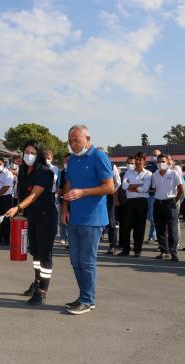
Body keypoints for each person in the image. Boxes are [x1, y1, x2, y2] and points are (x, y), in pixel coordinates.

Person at [61, 124, 114, 315]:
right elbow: (68, 183)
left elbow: (110, 187)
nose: (74, 145)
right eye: (71, 141)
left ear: (88, 139)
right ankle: (84, 295)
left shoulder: (99, 156)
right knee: (75, 261)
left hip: (93, 219)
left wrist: (83, 192)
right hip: (74, 217)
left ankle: (88, 300)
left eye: (77, 140)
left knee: (87, 261)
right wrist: (65, 207)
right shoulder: (73, 160)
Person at [7, 141, 58, 305]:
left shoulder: (45, 172)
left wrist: (18, 208)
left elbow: (34, 195)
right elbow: (22, 194)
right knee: (35, 253)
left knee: (45, 255)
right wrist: (21, 211)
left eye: (33, 152)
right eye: (26, 151)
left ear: (39, 155)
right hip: (33, 217)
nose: (29, 155)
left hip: (46, 217)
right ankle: (36, 283)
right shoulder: (24, 171)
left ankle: (42, 291)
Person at [119, 152, 152, 257]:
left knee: (140, 227)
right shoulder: (129, 172)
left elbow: (145, 189)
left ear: (144, 161)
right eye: (136, 159)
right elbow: (124, 186)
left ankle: (137, 250)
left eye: (140, 160)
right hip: (130, 202)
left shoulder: (148, 174)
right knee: (126, 227)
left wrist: (131, 186)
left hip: (142, 202)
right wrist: (138, 186)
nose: (137, 162)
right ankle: (125, 250)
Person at [152, 154, 184, 261]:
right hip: (158, 203)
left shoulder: (174, 173)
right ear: (157, 163)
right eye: (159, 162)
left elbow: (181, 190)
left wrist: (174, 201)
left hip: (170, 203)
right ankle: (163, 251)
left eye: (163, 162)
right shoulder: (155, 174)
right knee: (160, 229)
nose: (161, 164)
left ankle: (173, 252)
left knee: (172, 228)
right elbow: (155, 189)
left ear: (168, 162)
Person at [145, 148, 162, 243]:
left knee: (155, 217)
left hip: (160, 195)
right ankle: (153, 235)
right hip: (150, 194)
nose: (154, 157)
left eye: (156, 155)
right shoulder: (148, 166)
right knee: (151, 217)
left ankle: (153, 236)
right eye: (153, 155)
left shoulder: (163, 166)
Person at [105, 162, 122, 255]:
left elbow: (118, 182)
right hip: (94, 196)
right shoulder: (90, 163)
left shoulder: (111, 165)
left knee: (111, 221)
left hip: (108, 196)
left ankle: (113, 245)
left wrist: (111, 191)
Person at [57, 153, 71, 247]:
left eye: (69, 161)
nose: (67, 162)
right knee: (62, 219)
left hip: (73, 199)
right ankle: (63, 237)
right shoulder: (62, 172)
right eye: (65, 160)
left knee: (71, 220)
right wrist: (58, 197)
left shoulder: (76, 171)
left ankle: (71, 240)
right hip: (63, 198)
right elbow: (61, 186)